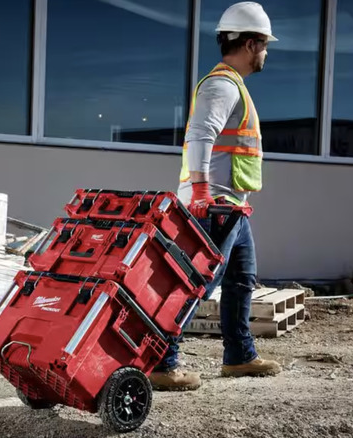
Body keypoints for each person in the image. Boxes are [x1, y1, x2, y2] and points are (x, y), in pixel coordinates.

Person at [149, 2, 282, 391]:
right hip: (213, 207)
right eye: (264, 44)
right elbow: (199, 135)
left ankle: (239, 356)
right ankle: (162, 362)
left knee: (242, 280)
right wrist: (203, 193)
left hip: (232, 207)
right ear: (251, 43)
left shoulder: (232, 86)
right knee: (194, 285)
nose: (266, 52)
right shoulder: (221, 85)